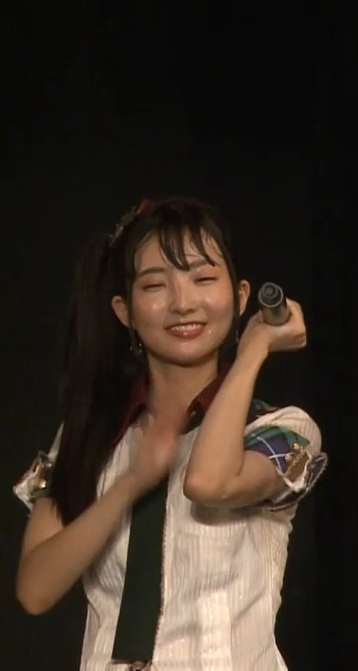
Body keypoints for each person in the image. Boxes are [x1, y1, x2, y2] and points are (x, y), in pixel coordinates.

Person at [13, 196, 327, 670]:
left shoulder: (282, 430)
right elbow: (35, 590)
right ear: (124, 311)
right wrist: (128, 485)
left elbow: (209, 483)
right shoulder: (90, 432)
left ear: (241, 296)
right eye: (156, 285)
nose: (182, 303)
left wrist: (253, 351)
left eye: (203, 279)